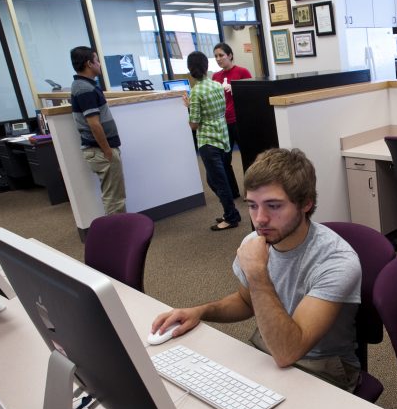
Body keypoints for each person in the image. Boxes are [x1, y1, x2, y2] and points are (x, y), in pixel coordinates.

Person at [151, 148, 363, 391]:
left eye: (273, 206)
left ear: (306, 204)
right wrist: (200, 311)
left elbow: (289, 352)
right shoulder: (255, 241)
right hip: (266, 349)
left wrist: (257, 274)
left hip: (321, 367)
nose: (259, 219)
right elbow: (246, 301)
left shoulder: (336, 260)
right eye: (252, 206)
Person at [187, 50, 241, 231]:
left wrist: (189, 108)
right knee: (214, 180)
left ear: (190, 69)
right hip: (223, 138)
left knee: (219, 182)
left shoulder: (196, 92)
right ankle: (230, 211)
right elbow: (221, 110)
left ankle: (231, 216)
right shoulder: (217, 85)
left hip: (208, 141)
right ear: (206, 67)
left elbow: (194, 124)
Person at [69, 46, 125, 214]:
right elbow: (94, 123)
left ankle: (122, 231)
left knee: (116, 195)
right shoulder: (84, 88)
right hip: (100, 150)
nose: (100, 64)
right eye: (97, 60)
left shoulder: (86, 85)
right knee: (114, 198)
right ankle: (119, 236)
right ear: (89, 64)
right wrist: (107, 151)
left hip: (100, 149)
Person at [211, 42, 251, 199]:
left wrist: (235, 90)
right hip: (223, 122)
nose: (218, 59)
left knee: (247, 157)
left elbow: (250, 94)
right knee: (224, 159)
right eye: (216, 56)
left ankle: (251, 191)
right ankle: (232, 192)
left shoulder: (242, 72)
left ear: (230, 55)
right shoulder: (215, 76)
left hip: (240, 120)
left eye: (221, 55)